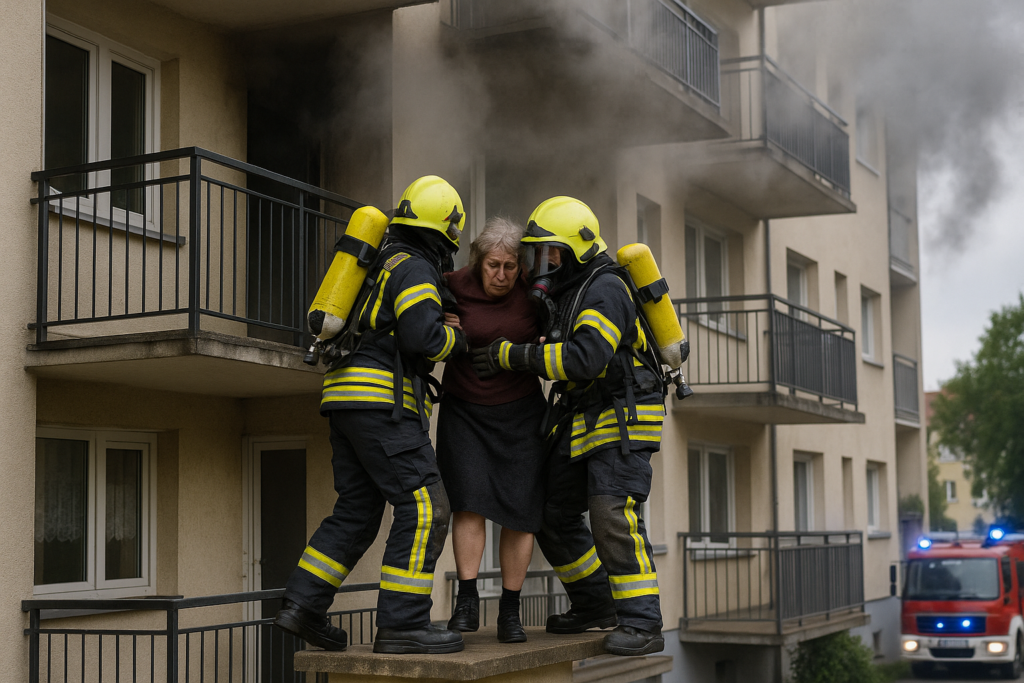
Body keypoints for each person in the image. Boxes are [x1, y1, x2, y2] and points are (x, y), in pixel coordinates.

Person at [274, 176, 468, 654]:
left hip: (344, 399)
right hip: (384, 402)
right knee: (426, 507)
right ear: (445, 234)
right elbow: (423, 339)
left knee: (357, 511)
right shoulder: (416, 269)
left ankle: (303, 606)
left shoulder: (377, 261)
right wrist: (458, 340)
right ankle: (403, 625)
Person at [471, 196, 667, 656]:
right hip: (585, 418)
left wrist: (514, 355)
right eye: (537, 254)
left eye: (549, 253)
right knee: (552, 513)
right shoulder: (569, 293)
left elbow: (585, 358)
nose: (541, 264)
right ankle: (595, 603)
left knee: (612, 517)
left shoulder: (605, 290)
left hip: (622, 418)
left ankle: (643, 623)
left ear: (576, 250)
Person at [436, 217, 546, 644]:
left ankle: (510, 612)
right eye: (493, 265)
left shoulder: (535, 295)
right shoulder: (452, 284)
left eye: (511, 266)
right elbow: (422, 319)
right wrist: (440, 326)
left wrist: (537, 348)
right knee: (469, 504)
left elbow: (555, 337)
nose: (501, 275)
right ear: (478, 262)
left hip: (521, 416)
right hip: (464, 411)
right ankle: (466, 603)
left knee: (521, 512)